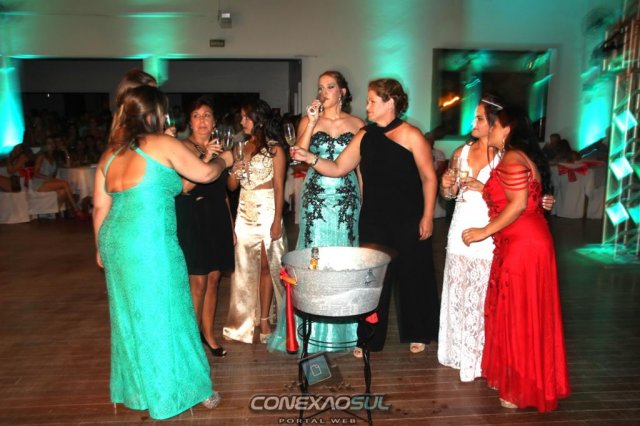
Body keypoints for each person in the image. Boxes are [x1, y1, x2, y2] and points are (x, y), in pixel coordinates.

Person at [93, 84, 233, 420]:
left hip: (115, 242)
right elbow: (205, 174)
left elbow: (99, 207)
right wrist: (224, 159)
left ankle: (139, 390)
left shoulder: (110, 153)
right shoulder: (161, 143)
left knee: (131, 318)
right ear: (156, 113)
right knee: (172, 313)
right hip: (149, 242)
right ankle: (192, 389)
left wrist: (100, 248)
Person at [292, 78, 440, 355]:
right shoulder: (364, 135)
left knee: (412, 274)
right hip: (373, 217)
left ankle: (418, 332)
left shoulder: (412, 135)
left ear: (390, 103)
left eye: (372, 101)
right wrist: (310, 158)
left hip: (408, 217)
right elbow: (338, 167)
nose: (367, 106)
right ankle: (369, 338)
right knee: (373, 279)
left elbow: (429, 178)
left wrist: (428, 215)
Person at [462, 106, 570, 412]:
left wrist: (484, 231)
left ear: (506, 129)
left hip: (523, 244)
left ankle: (522, 386)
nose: (490, 130)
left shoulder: (511, 157)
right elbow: (525, 197)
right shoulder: (520, 156)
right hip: (528, 240)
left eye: (494, 125)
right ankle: (525, 379)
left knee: (519, 314)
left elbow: (519, 203)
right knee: (525, 312)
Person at [268, 70, 364, 354]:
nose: (324, 92)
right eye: (320, 87)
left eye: (330, 87)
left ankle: (346, 330)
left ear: (342, 92)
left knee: (346, 257)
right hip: (316, 198)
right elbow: (298, 154)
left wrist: (364, 200)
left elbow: (361, 169)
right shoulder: (309, 120)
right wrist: (310, 122)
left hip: (347, 198)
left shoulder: (357, 124)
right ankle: (308, 328)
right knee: (314, 257)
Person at [437, 97, 504, 382]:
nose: (473, 123)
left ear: (494, 123)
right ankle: (456, 350)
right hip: (460, 225)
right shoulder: (460, 152)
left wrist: (483, 186)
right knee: (458, 288)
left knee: (482, 292)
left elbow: (512, 198)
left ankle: (480, 356)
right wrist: (446, 187)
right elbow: (450, 196)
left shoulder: (505, 155)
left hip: (488, 228)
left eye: (479, 118)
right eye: (474, 118)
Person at [222, 99, 288, 344]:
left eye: (245, 117)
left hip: (267, 209)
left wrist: (277, 220)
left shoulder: (275, 149)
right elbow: (231, 186)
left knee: (267, 267)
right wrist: (235, 170)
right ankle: (244, 320)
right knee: (244, 267)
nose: (242, 121)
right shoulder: (240, 146)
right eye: (241, 117)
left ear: (258, 119)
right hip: (244, 210)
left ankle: (264, 319)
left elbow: (279, 186)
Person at [176, 96, 234, 358]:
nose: (202, 121)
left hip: (217, 216)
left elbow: (224, 192)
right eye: (196, 115)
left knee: (214, 279)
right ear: (190, 121)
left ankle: (208, 334)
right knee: (197, 281)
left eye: (207, 115)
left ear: (214, 121)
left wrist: (230, 226)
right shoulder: (181, 147)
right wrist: (206, 156)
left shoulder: (222, 148)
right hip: (192, 217)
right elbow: (183, 187)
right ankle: (189, 342)